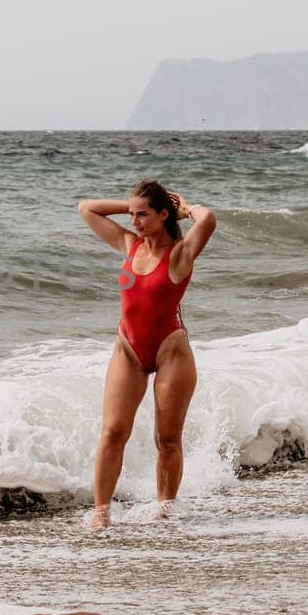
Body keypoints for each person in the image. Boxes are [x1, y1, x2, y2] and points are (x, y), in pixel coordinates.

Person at [76, 180, 217, 531]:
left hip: (171, 351)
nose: (135, 221)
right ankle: (101, 514)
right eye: (132, 214)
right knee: (112, 432)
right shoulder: (129, 245)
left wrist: (187, 209)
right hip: (128, 349)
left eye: (143, 215)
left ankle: (165, 511)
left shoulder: (181, 254)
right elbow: (86, 208)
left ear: (164, 214)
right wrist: (131, 208)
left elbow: (209, 218)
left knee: (166, 439)